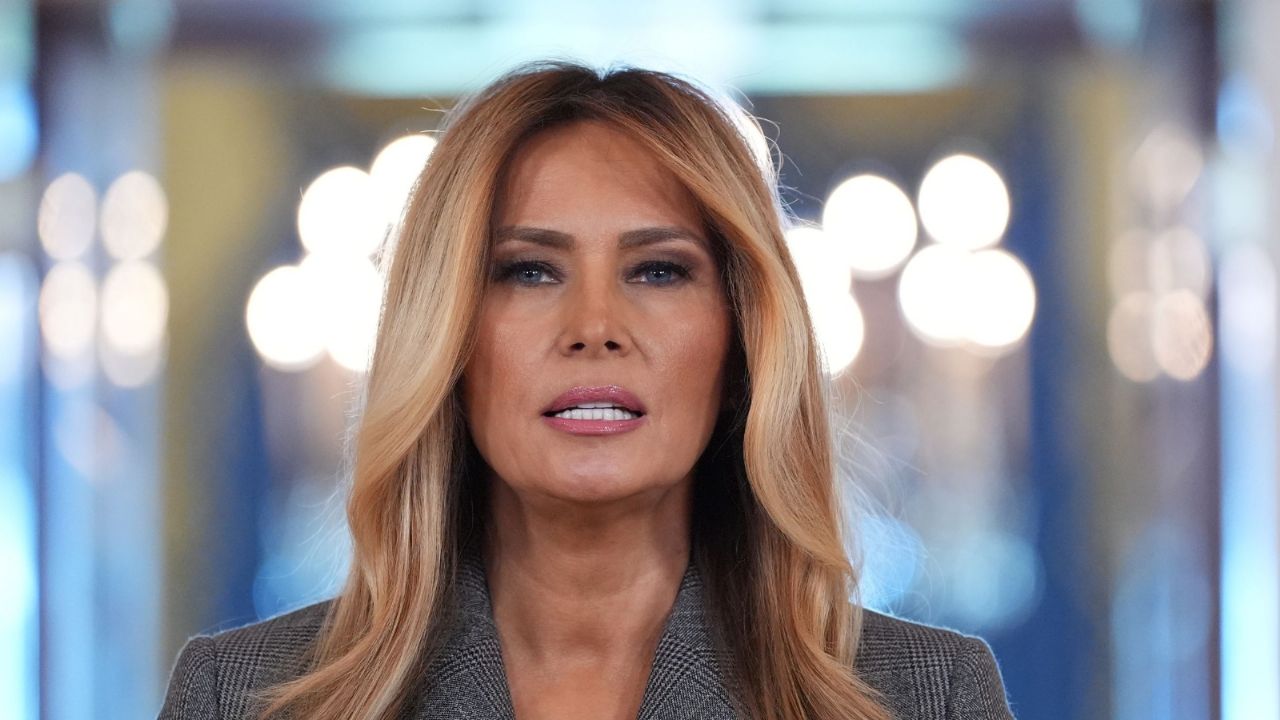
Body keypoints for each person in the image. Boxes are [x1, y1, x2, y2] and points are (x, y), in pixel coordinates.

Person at [159, 61, 1016, 720]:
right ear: (446, 339)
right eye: (529, 271)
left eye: (658, 270)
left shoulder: (925, 696)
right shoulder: (243, 696)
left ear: (741, 342)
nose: (595, 325)